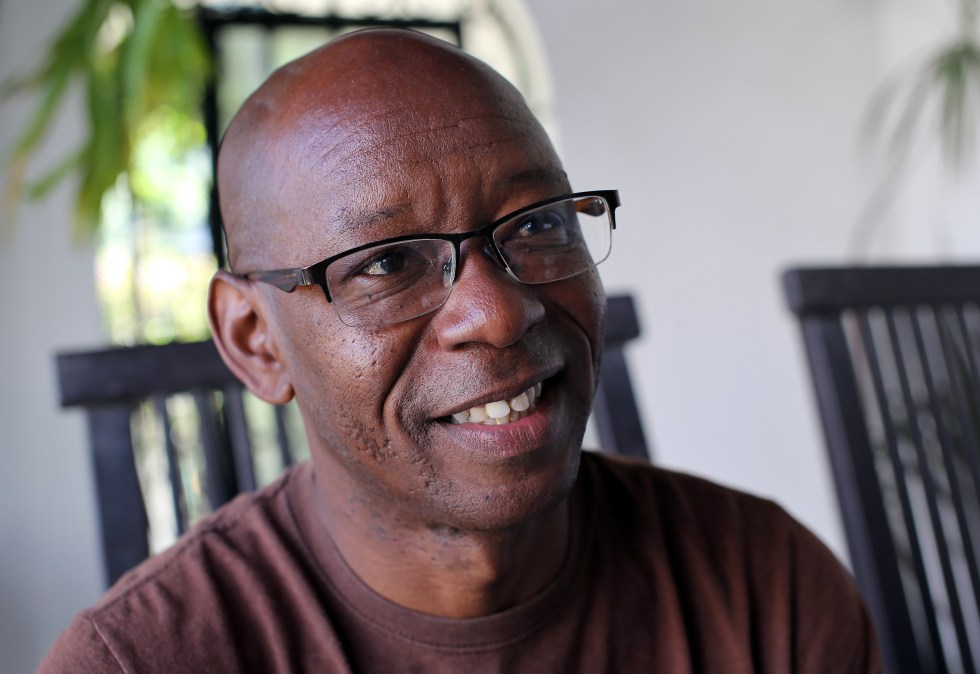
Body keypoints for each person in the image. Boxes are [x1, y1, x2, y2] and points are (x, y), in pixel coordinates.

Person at [38, 29, 881, 673]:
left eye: (539, 224)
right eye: (385, 263)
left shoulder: (767, 590)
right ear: (256, 342)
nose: (499, 313)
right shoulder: (144, 660)